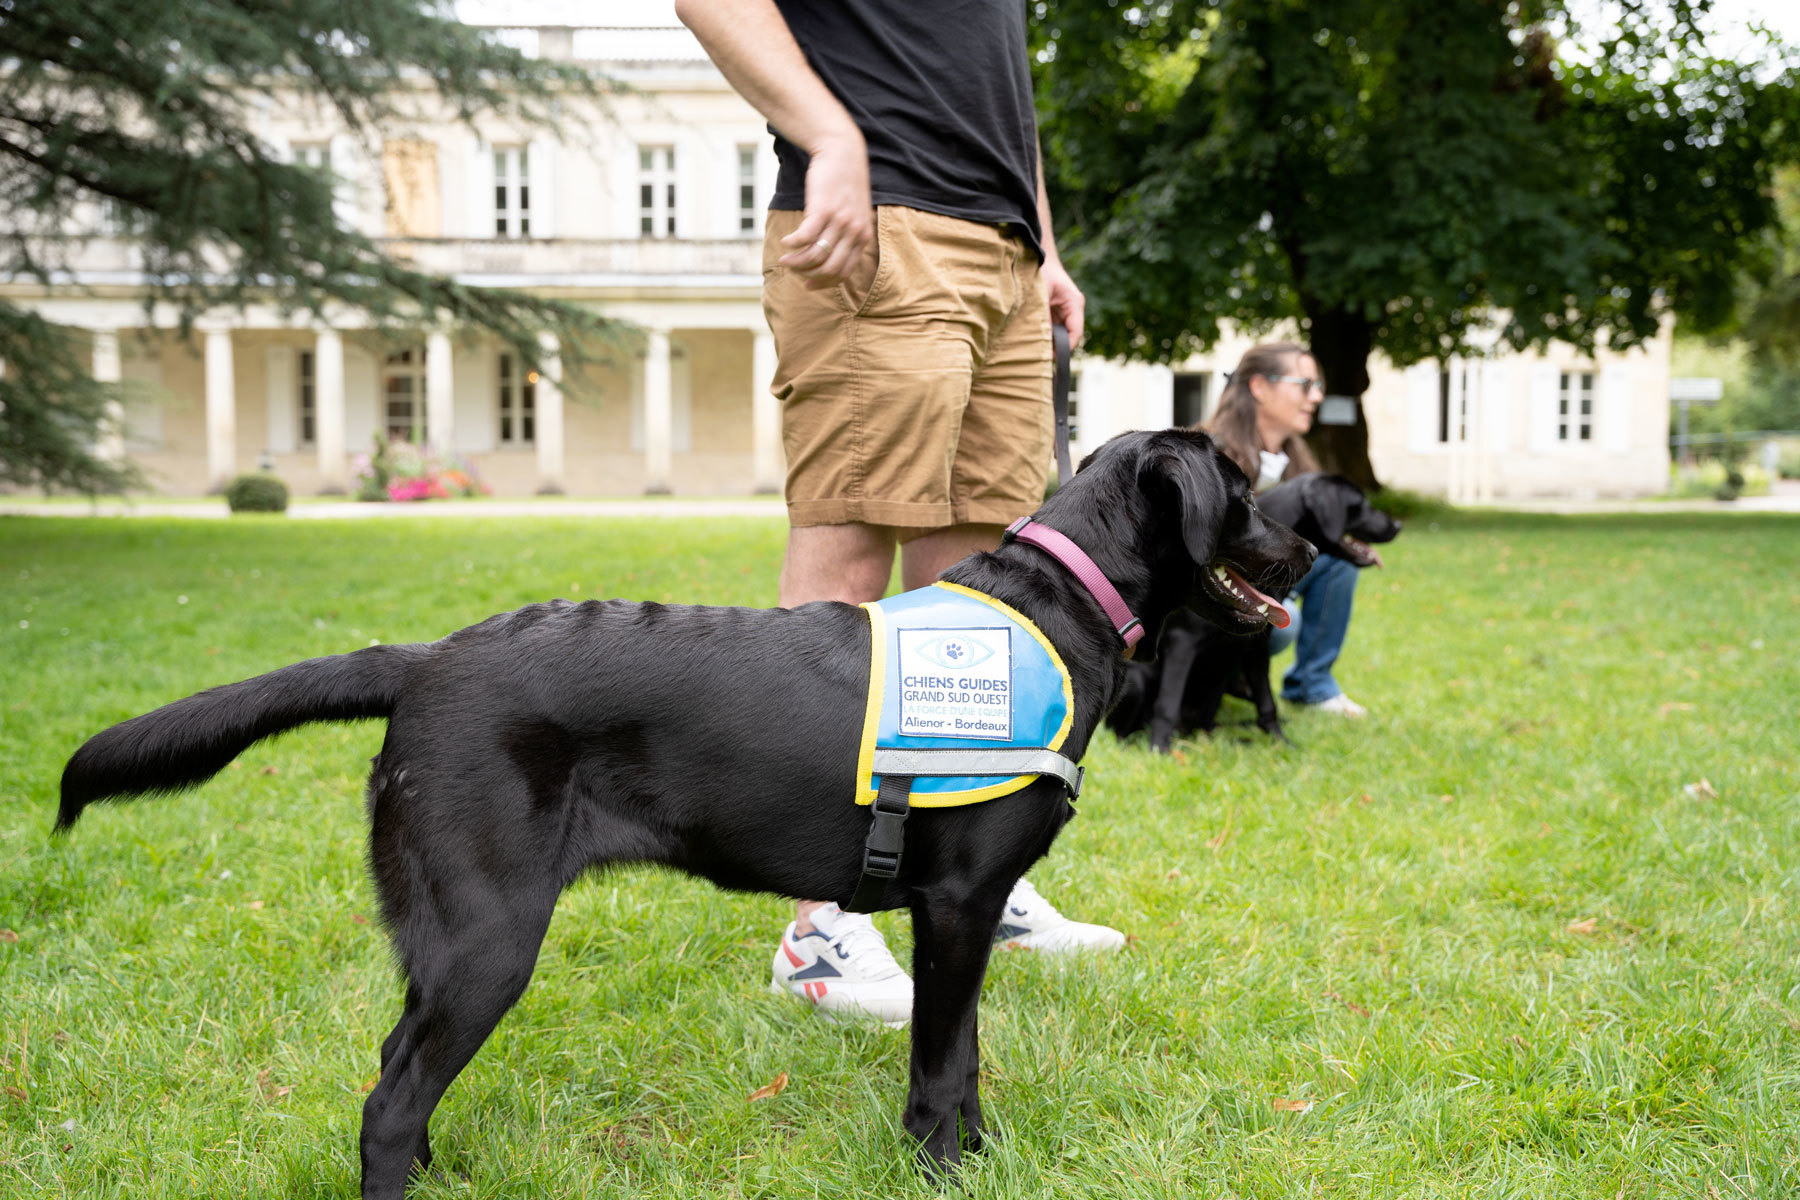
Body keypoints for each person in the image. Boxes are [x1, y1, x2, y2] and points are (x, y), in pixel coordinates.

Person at [676, 0, 1125, 1028]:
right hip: (879, 223)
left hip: (1000, 248)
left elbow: (994, 79)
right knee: (845, 581)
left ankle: (970, 874)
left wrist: (1040, 242)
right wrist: (829, 134)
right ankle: (818, 922)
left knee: (978, 603)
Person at [1204, 342, 1379, 717]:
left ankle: (1311, 686)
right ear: (1260, 388)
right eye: (1304, 384)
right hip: (1213, 592)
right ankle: (1221, 678)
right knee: (1284, 620)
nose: (1316, 396)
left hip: (1272, 581)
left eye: (1317, 387)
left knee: (1338, 562)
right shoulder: (1210, 456)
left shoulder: (1299, 464)